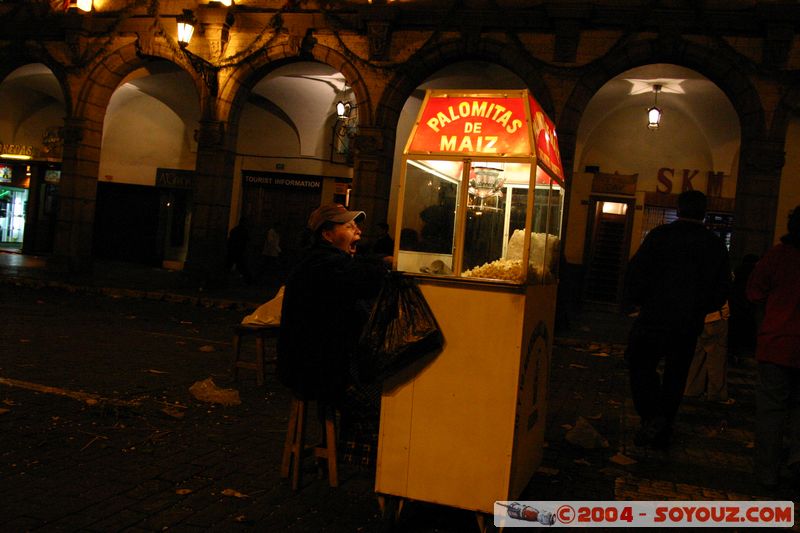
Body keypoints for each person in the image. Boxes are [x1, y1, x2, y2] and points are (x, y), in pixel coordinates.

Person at [623, 190, 730, 449]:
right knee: (676, 374)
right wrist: (701, 308)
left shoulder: (659, 237)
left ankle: (651, 416)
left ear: (679, 209)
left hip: (654, 317)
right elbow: (721, 289)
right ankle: (664, 422)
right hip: (687, 323)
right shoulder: (713, 244)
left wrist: (640, 301)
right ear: (703, 212)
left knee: (640, 364)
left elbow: (635, 272)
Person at [277, 203, 389, 407]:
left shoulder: (326, 260)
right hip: (313, 367)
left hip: (317, 361)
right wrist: (385, 265)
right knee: (383, 385)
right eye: (349, 227)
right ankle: (363, 435)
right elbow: (367, 281)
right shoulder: (321, 266)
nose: (358, 231)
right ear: (327, 235)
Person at [746, 206, 800, 489]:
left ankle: (767, 472)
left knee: (771, 411)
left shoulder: (777, 257)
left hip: (777, 343)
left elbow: (755, 292)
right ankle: (796, 460)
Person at [684, 301, 732, 403]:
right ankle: (717, 393)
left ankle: (692, 389)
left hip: (696, 319)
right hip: (715, 318)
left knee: (697, 357)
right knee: (717, 358)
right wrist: (725, 316)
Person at [226, 217, 254, 284]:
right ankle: (249, 280)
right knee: (242, 266)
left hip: (233, 250)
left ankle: (223, 279)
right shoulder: (244, 231)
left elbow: (230, 240)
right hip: (239, 251)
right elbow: (247, 240)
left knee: (229, 266)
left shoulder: (234, 230)